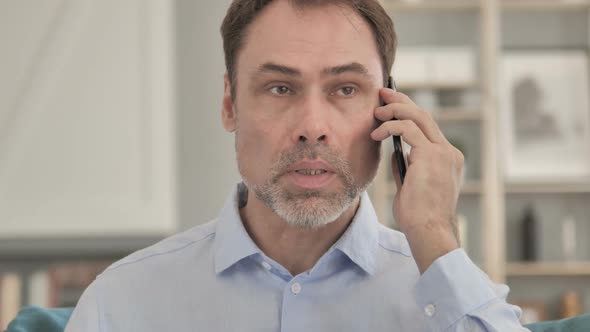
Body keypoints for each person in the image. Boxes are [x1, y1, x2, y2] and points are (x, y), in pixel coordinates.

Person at [65, 0, 528, 331]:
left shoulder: (446, 296)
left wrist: (435, 236)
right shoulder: (120, 303)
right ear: (230, 104)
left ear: (389, 107)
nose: (312, 127)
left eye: (345, 88)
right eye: (280, 89)